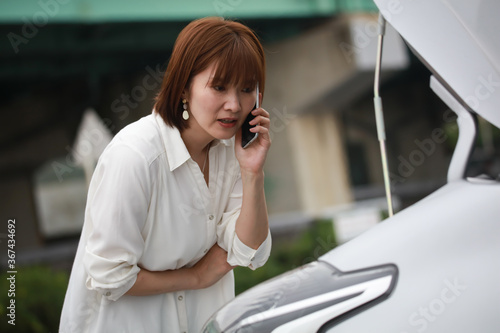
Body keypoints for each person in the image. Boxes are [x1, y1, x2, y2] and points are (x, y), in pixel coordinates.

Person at [59, 17, 272, 333]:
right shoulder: (135, 156)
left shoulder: (234, 152)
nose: (234, 104)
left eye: (246, 89)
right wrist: (196, 277)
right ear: (185, 85)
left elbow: (248, 250)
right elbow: (109, 274)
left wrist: (253, 172)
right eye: (219, 86)